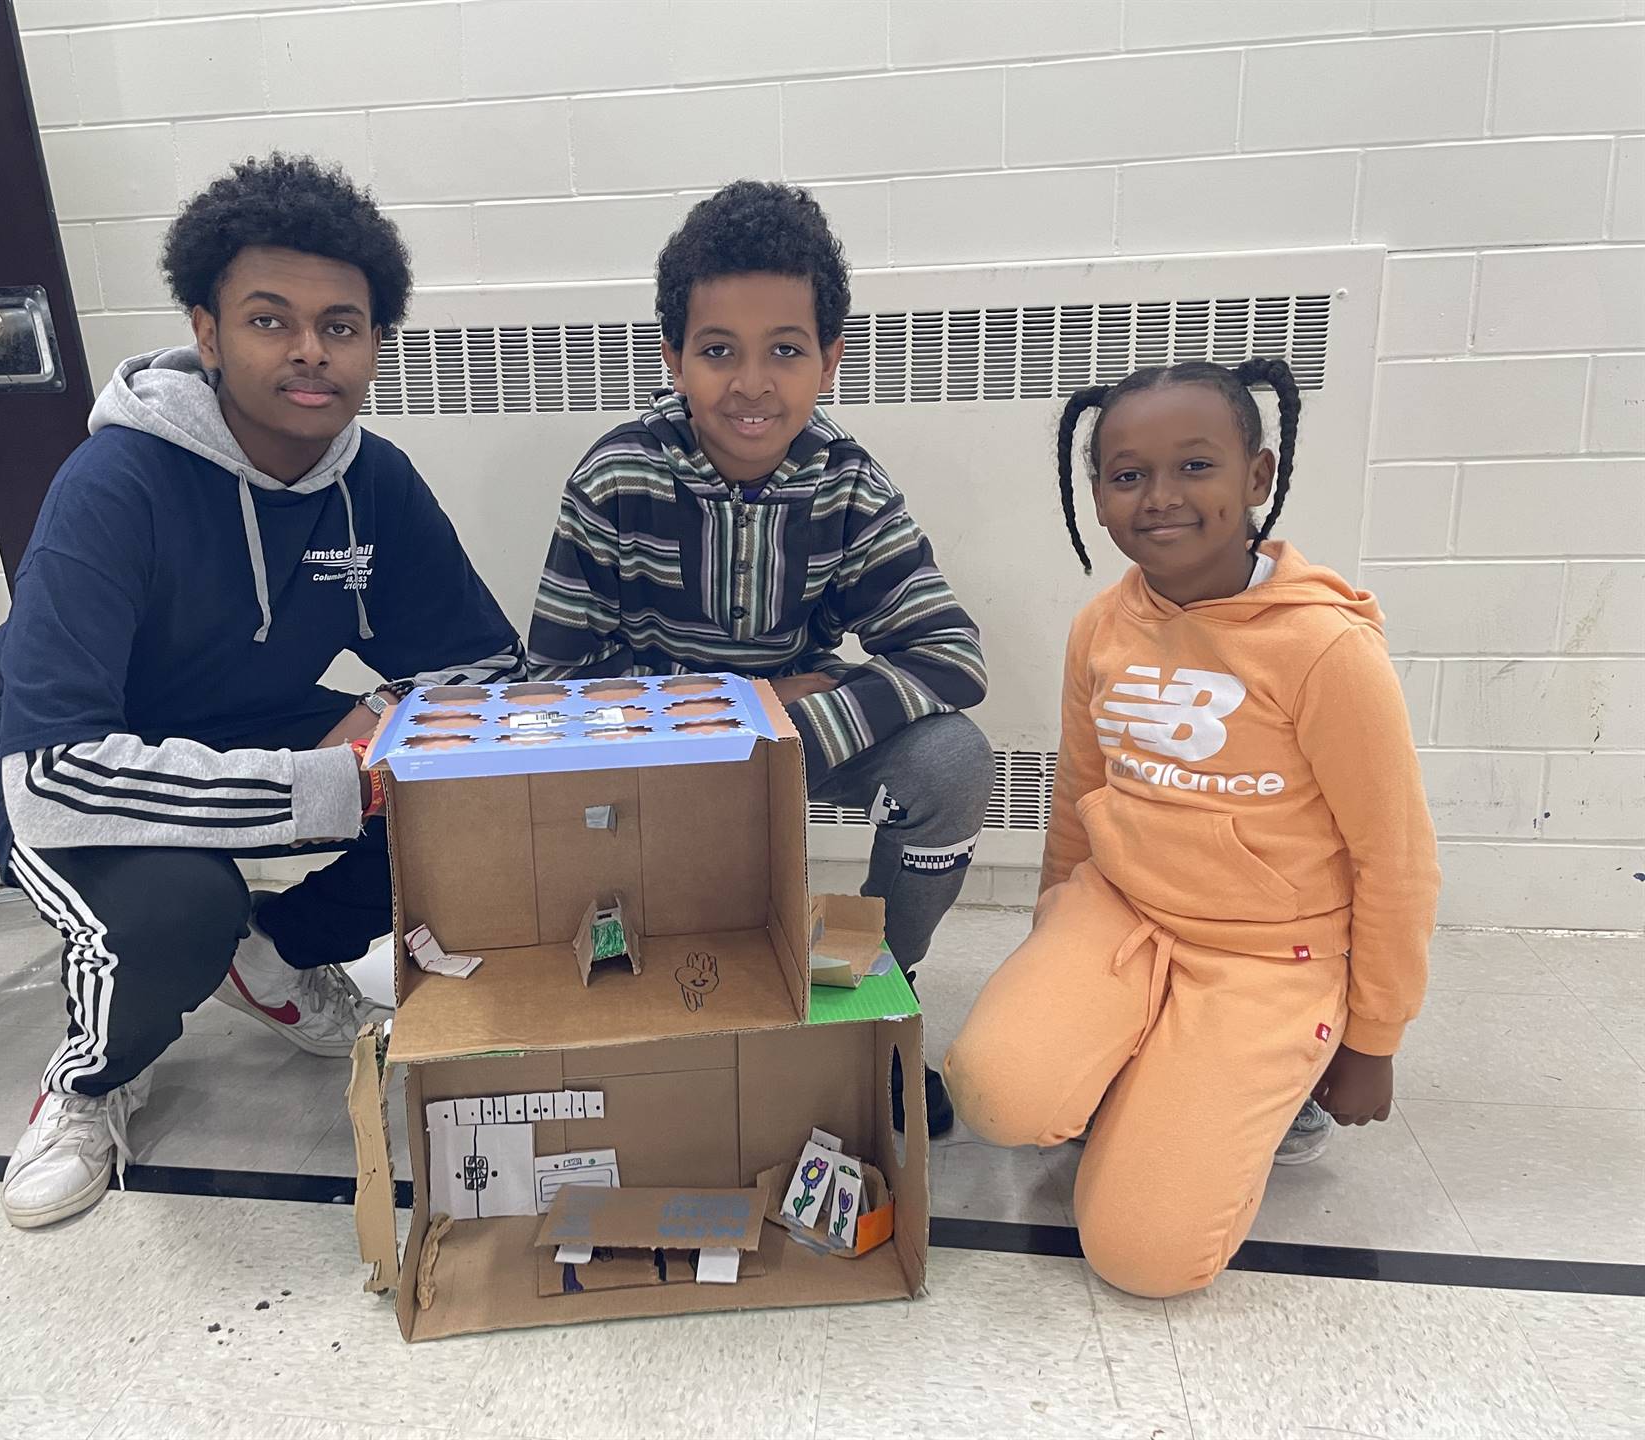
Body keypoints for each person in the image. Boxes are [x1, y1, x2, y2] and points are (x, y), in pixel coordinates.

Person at [0, 155, 521, 1229]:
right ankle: (90, 1081)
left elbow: (480, 675)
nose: (309, 352)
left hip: (235, 725)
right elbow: (54, 773)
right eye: (271, 320)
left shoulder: (371, 479)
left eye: (341, 325)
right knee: (176, 907)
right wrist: (330, 781)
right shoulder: (116, 483)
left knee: (471, 781)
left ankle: (275, 957)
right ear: (208, 333)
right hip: (44, 763)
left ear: (374, 343)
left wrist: (398, 719)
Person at [943, 358, 1439, 1297]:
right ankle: (1146, 1047)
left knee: (1144, 1258)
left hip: (1267, 954)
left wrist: (1374, 1040)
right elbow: (1080, 794)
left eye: (1196, 467)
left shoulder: (1325, 647)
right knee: (996, 1092)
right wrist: (1056, 940)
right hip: (1124, 914)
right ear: (1097, 495)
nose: (1160, 497)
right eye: (1128, 475)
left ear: (1258, 477)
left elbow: (1397, 858)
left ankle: (1282, 1089)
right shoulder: (1101, 626)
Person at [526, 180, 991, 1138]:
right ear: (673, 360)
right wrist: (748, 699)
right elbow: (554, 684)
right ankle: (633, 1002)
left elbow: (950, 655)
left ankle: (876, 999)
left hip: (797, 740)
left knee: (952, 759)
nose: (751, 383)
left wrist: (795, 715)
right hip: (652, 754)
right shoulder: (618, 474)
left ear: (830, 360)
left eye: (785, 351)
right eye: (718, 352)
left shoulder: (847, 482)